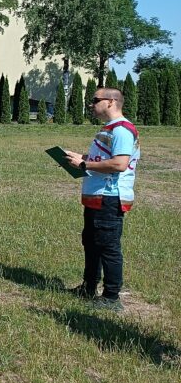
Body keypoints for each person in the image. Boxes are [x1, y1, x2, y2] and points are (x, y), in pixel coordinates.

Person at [63, 87, 140, 313]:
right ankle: (88, 287)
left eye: (95, 100)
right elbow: (102, 159)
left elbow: (119, 164)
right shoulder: (109, 129)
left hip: (109, 197)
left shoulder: (122, 130)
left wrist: (84, 164)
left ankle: (111, 297)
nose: (91, 104)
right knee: (92, 243)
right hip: (96, 197)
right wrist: (81, 158)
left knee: (108, 247)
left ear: (111, 102)